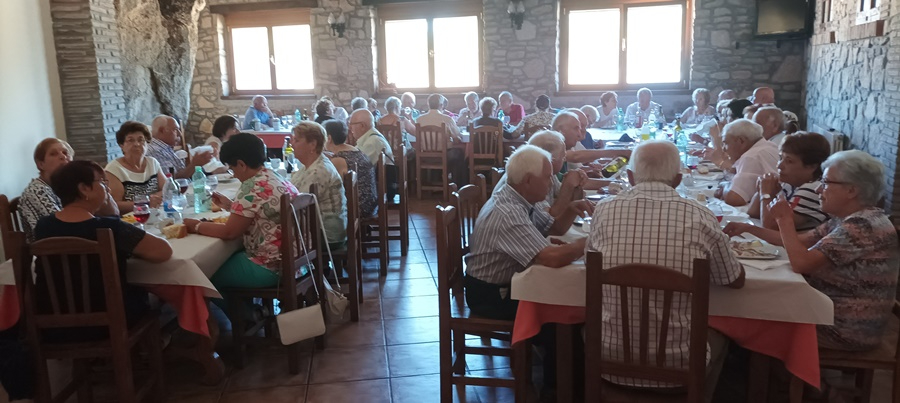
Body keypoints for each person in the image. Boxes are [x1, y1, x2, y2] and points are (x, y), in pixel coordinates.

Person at [588, 140, 744, 393]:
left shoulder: (604, 210)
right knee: (725, 337)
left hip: (609, 359)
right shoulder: (700, 215)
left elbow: (589, 263)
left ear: (629, 177)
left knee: (583, 329)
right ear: (678, 179)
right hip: (680, 365)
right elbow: (733, 279)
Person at [724, 150, 899, 352]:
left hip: (845, 328)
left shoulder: (862, 225)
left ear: (852, 190)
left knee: (755, 316)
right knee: (757, 310)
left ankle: (769, 377)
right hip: (828, 310)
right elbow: (797, 241)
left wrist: (784, 219)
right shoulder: (846, 218)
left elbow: (802, 263)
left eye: (826, 183)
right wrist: (747, 228)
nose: (818, 190)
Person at [34, 160, 172, 342]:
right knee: (161, 302)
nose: (107, 188)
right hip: (111, 322)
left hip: (55, 325)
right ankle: (152, 348)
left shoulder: (43, 226)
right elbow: (163, 252)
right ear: (84, 189)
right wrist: (112, 215)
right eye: (101, 182)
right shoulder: (108, 228)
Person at [465, 145, 593, 320]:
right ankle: (555, 344)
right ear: (527, 181)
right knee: (564, 305)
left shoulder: (518, 197)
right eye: (548, 178)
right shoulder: (509, 212)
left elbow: (555, 228)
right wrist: (588, 241)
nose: (551, 184)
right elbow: (551, 258)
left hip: (503, 284)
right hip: (491, 294)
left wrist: (571, 209)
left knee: (562, 295)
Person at [182, 133, 300, 314]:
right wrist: (231, 206)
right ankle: (250, 311)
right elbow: (264, 211)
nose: (234, 174)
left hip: (270, 265)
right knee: (221, 259)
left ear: (242, 164)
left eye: (232, 168)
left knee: (202, 276)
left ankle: (246, 316)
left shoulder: (251, 186)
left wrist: (195, 225)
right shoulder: (273, 175)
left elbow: (230, 232)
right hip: (296, 260)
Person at [19, 138, 118, 242]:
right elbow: (63, 227)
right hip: (51, 251)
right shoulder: (37, 190)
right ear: (41, 164)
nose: (63, 156)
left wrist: (102, 186)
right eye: (53, 154)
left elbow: (113, 213)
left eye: (65, 153)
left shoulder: (75, 185)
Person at [747, 132, 830, 231]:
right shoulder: (790, 184)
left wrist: (766, 194)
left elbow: (771, 226)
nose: (779, 166)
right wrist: (762, 189)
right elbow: (753, 213)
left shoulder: (814, 189)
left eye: (789, 161)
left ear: (811, 167)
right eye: (780, 158)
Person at [289, 122, 347, 249]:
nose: (291, 144)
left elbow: (295, 206)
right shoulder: (311, 164)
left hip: (326, 235)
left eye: (297, 140)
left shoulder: (319, 171)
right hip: (317, 228)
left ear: (313, 144)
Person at [105, 121, 166, 213]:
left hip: (154, 214)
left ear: (147, 143)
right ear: (121, 145)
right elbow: (114, 204)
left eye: (141, 140)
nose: (137, 144)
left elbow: (168, 189)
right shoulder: (114, 169)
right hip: (130, 219)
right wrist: (146, 202)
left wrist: (153, 199)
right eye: (130, 140)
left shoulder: (152, 163)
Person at [323, 119, 377, 218]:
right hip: (370, 202)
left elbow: (331, 189)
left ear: (329, 138)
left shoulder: (339, 160)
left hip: (358, 207)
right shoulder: (354, 149)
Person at [720, 119, 779, 206]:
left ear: (741, 141)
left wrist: (725, 185)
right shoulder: (769, 145)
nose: (723, 149)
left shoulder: (751, 156)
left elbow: (734, 199)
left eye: (725, 143)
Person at [418, 93, 468, 186]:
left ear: (428, 105)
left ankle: (431, 183)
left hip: (425, 156)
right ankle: (458, 185)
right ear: (441, 105)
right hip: (444, 155)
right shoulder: (447, 119)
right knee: (459, 153)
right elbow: (457, 138)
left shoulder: (419, 119)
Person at [552, 111, 629, 170]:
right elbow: (575, 156)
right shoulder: (553, 146)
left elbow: (582, 167)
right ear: (560, 130)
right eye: (576, 128)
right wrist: (622, 152)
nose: (580, 133)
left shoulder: (572, 144)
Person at [350, 109, 397, 200]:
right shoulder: (369, 138)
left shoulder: (373, 141)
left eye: (351, 124)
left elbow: (357, 167)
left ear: (362, 125)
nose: (350, 128)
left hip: (382, 191)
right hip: (377, 188)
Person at [146, 115, 213, 179]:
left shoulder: (166, 148)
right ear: (162, 130)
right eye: (175, 130)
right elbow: (171, 180)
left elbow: (180, 172)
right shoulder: (155, 151)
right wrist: (194, 164)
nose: (180, 134)